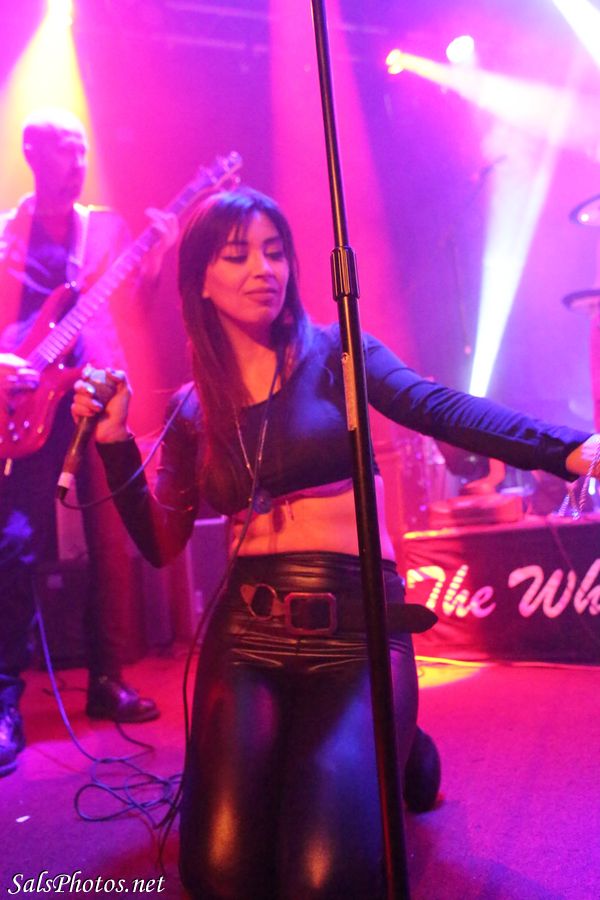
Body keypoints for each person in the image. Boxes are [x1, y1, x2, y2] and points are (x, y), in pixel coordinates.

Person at [72, 186, 599, 899]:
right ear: (199, 280)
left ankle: (401, 744)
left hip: (355, 627)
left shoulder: (336, 353)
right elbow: (163, 541)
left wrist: (569, 448)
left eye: (275, 251)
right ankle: (373, 745)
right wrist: (113, 443)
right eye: (237, 256)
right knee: (220, 876)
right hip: (247, 635)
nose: (264, 269)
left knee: (323, 881)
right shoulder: (194, 405)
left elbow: (437, 407)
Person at [0, 107, 177, 779]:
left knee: (110, 544)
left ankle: (107, 679)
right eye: (65, 151)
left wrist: (158, 254)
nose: (79, 163)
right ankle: (5, 699)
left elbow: (134, 308)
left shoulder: (104, 228)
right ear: (31, 153)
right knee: (14, 544)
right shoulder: (5, 236)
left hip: (97, 394)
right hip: (25, 408)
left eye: (82, 151)